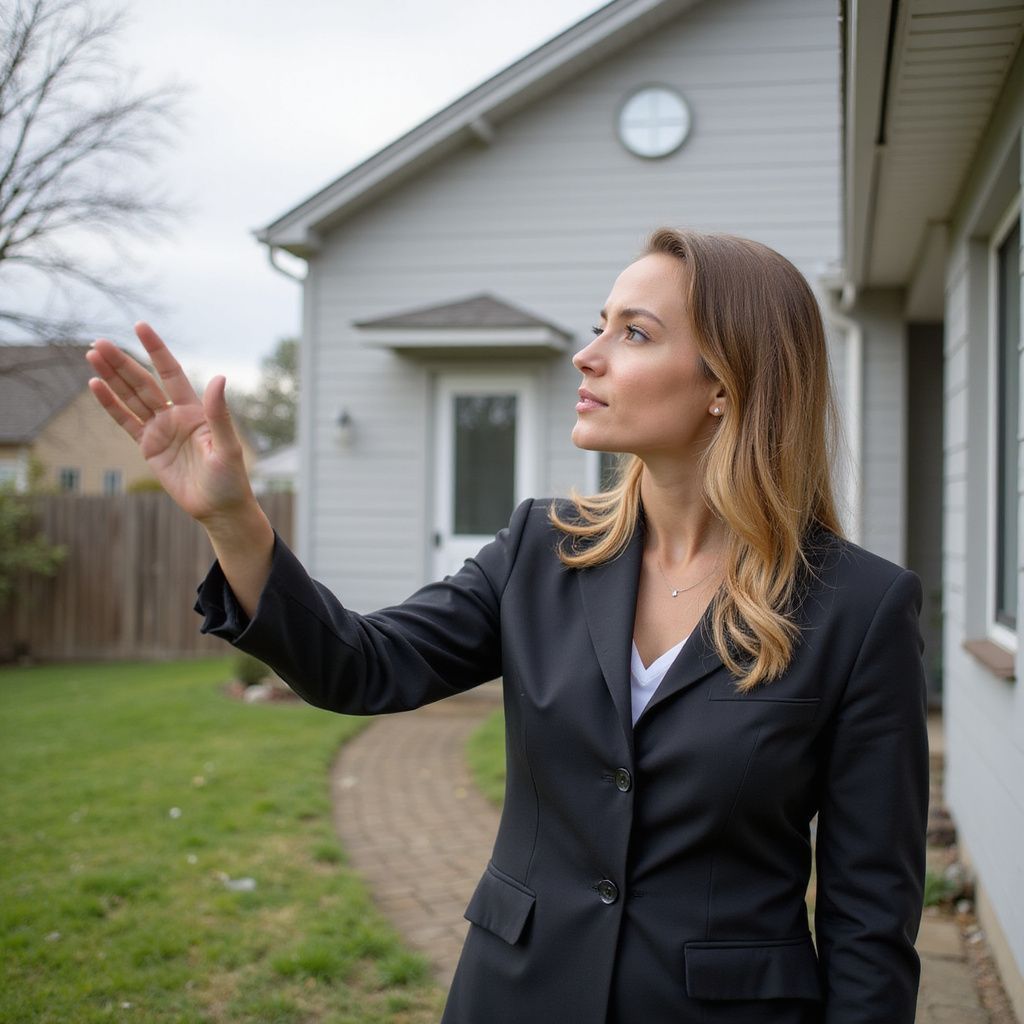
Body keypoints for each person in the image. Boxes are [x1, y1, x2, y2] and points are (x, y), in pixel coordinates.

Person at [85, 227, 930, 1024]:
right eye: (600, 326)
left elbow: (869, 919)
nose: (586, 354)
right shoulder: (542, 550)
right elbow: (361, 666)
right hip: (516, 993)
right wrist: (234, 520)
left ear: (727, 382)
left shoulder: (858, 611)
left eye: (633, 334)